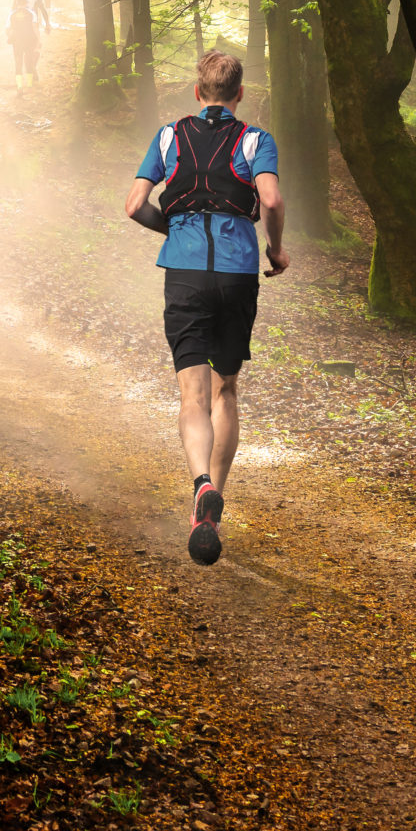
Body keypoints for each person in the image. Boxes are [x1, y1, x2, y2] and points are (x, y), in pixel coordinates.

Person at [121, 48, 284, 567]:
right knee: (225, 388)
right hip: (236, 273)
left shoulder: (170, 135)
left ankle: (201, 484)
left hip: (186, 274)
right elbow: (272, 201)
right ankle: (213, 512)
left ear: (198, 92)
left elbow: (133, 206)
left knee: (191, 394)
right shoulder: (256, 139)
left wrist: (176, 230)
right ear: (239, 94)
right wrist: (275, 249)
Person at [6, 0, 41, 86]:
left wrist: (10, 37)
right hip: (29, 40)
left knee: (18, 63)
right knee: (29, 61)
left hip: (17, 41)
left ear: (17, 3)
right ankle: (29, 85)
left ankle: (19, 86)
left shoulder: (11, 14)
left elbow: (7, 29)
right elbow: (35, 28)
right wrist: (39, 40)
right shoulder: (31, 13)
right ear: (26, 3)